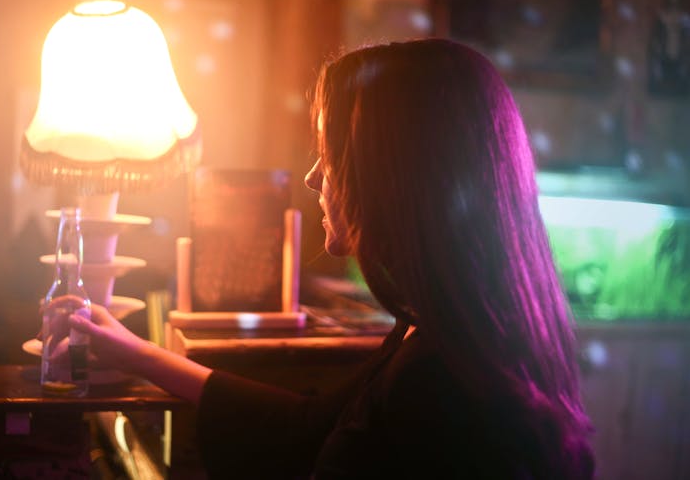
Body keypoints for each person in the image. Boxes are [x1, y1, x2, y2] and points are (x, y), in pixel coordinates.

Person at [69, 38, 595, 479]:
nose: (313, 178)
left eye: (331, 153)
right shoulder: (445, 335)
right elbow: (308, 424)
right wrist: (136, 353)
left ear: (393, 175)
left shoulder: (437, 383)